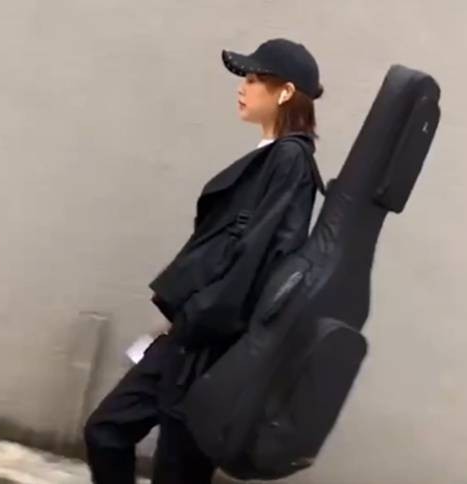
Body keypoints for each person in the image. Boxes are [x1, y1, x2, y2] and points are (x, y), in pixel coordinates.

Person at [84, 38, 324, 484]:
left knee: (174, 467)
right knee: (107, 430)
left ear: (286, 92)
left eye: (255, 79)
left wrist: (195, 316)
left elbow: (256, 258)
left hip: (210, 344)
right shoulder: (272, 157)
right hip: (192, 335)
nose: (243, 87)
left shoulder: (289, 161)